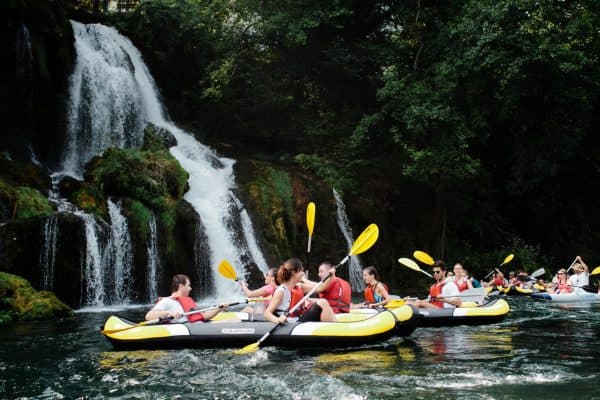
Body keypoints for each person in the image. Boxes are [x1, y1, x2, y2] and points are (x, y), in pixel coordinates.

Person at [264, 258, 336, 324]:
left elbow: (321, 287)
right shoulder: (281, 291)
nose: (303, 273)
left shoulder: (300, 287)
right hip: (289, 325)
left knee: (324, 301)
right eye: (301, 271)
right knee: (322, 302)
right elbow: (267, 314)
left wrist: (331, 276)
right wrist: (277, 320)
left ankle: (334, 329)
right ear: (293, 272)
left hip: (298, 320)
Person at [145, 274, 231, 323]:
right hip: (185, 329)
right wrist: (169, 312)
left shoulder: (188, 301)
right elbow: (149, 316)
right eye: (189, 285)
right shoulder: (167, 301)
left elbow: (203, 316)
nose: (191, 288)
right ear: (181, 286)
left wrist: (219, 308)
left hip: (197, 326)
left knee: (235, 320)